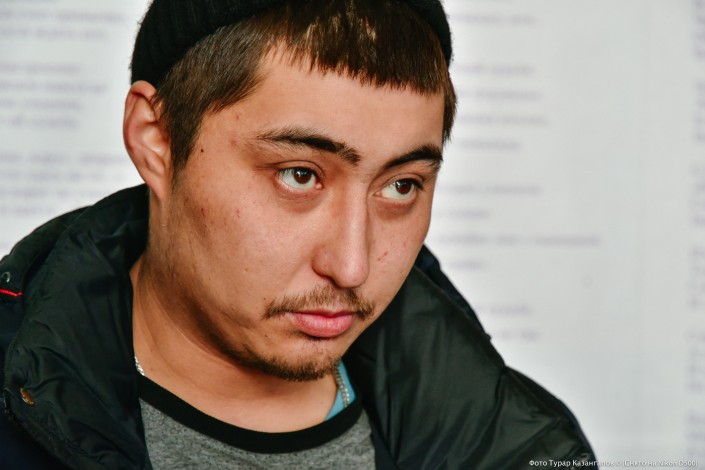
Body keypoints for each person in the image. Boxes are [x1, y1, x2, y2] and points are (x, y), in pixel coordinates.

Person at [0, 0, 595, 468]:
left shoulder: (519, 445)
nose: (352, 266)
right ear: (157, 141)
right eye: (299, 175)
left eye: (401, 186)